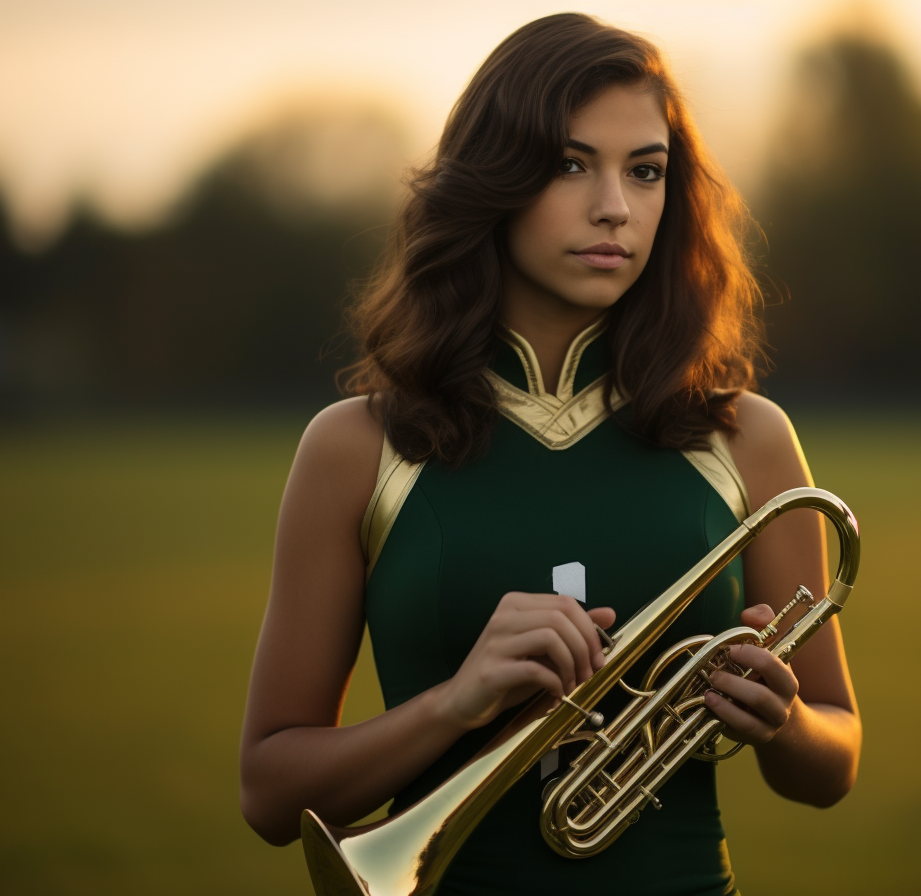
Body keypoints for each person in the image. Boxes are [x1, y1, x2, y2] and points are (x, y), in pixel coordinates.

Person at [240, 13, 860, 896]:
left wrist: (787, 721)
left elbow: (833, 761)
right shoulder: (354, 448)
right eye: (572, 165)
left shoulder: (748, 437)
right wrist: (455, 704)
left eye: (646, 171)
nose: (615, 205)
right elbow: (269, 792)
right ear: (492, 181)